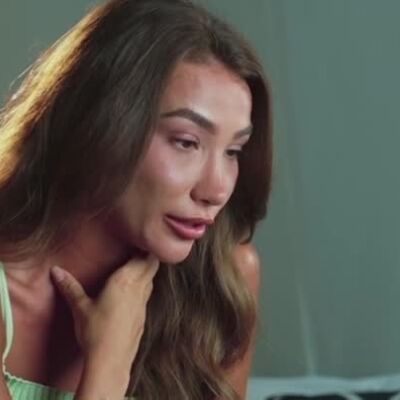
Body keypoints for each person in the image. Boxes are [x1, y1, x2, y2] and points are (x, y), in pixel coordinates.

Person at [0, 0, 272, 399]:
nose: (216, 190)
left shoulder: (224, 278)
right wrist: (109, 361)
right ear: (100, 125)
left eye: (233, 151)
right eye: (186, 142)